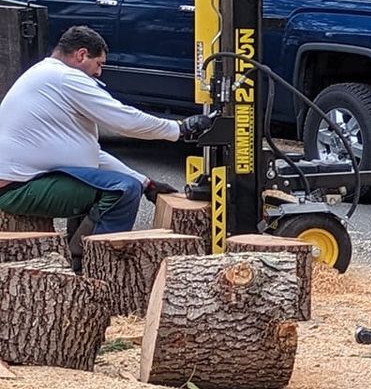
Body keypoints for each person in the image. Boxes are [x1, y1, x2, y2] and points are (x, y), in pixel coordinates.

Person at [0, 26, 214, 266]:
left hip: (25, 181)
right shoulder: (66, 78)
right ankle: (93, 267)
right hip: (19, 188)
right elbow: (125, 120)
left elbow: (92, 155)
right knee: (123, 191)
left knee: (122, 184)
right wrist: (179, 129)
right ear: (82, 55)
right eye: (99, 64)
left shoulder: (47, 75)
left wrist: (146, 183)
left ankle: (76, 258)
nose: (99, 72)